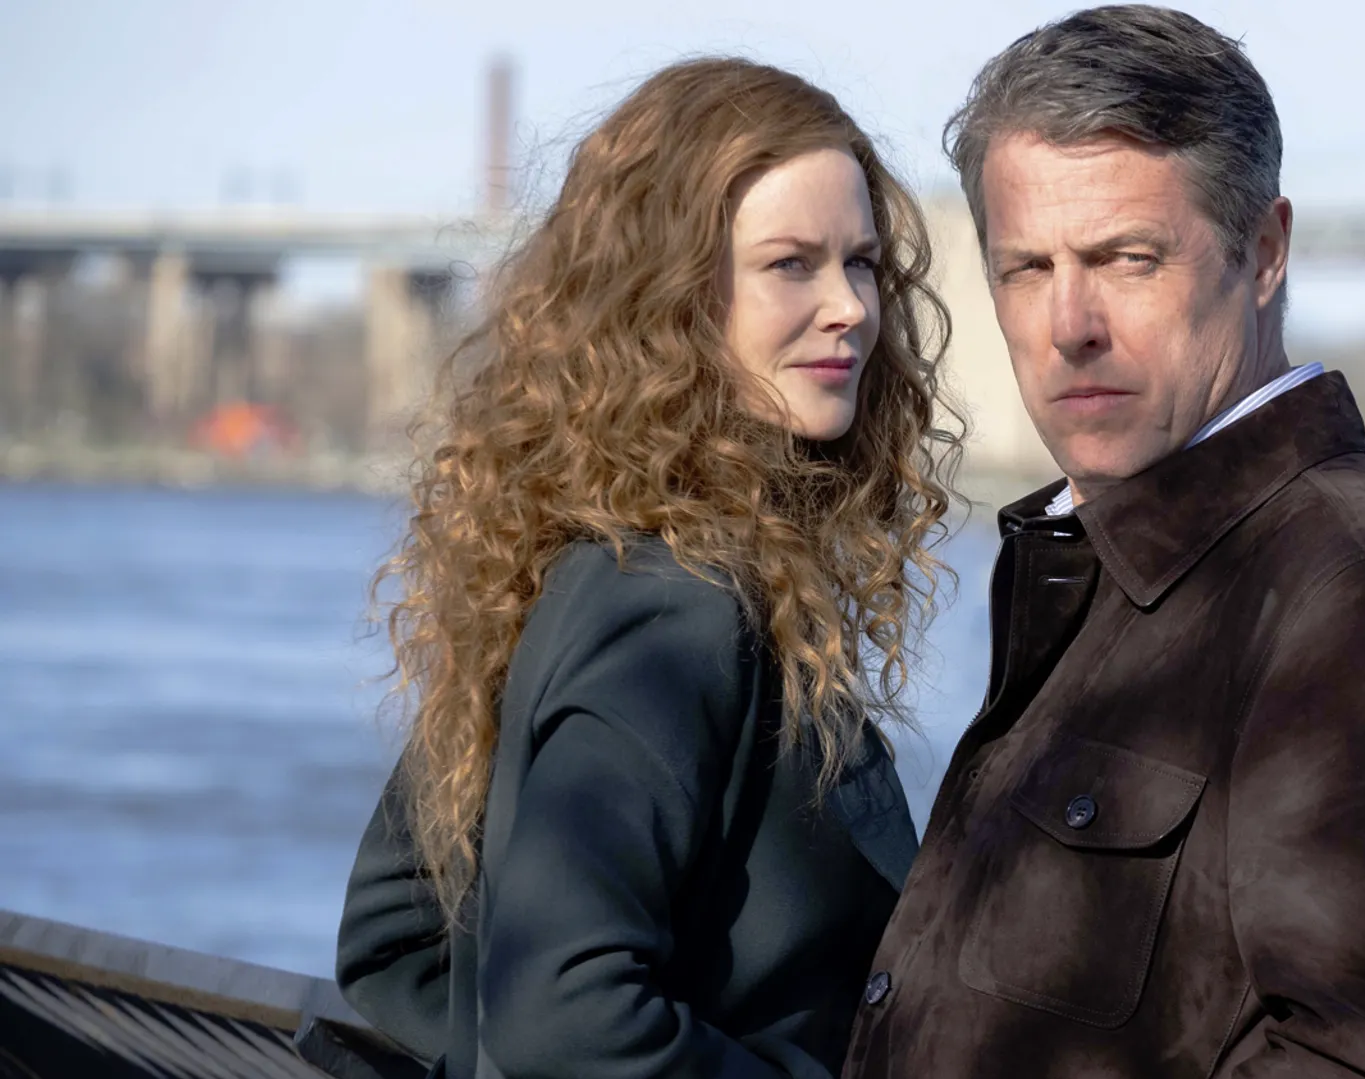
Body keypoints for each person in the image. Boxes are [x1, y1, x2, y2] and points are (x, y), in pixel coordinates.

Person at [840, 7, 1365, 1078]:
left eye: (1127, 258)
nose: (1069, 325)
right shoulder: (1107, 556)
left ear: (1264, 252)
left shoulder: (1357, 584)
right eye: (1026, 268)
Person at [333, 57, 959, 1079]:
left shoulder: (588, 556)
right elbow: (560, 1013)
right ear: (667, 297)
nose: (850, 305)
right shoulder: (674, 605)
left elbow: (397, 938)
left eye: (861, 263)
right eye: (791, 264)